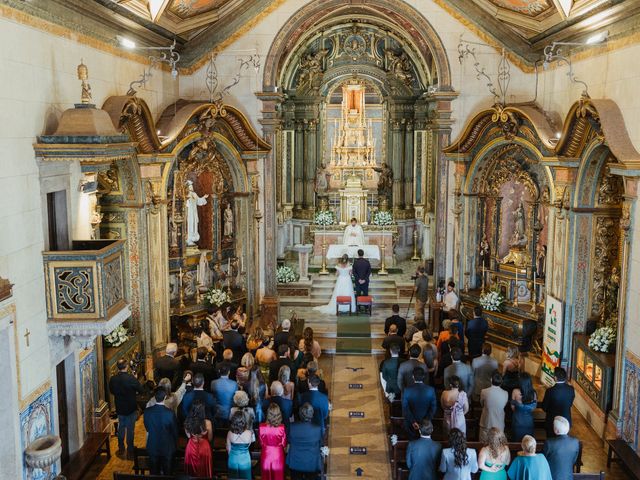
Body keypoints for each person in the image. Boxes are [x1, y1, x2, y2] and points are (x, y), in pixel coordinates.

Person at [108, 358, 144, 457]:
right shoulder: (131, 378)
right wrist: (135, 379)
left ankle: (120, 446)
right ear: (126, 366)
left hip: (119, 407)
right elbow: (141, 390)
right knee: (130, 429)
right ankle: (130, 448)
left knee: (121, 427)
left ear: (117, 368)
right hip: (130, 407)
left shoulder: (113, 379)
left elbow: (111, 391)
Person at [144, 388, 178, 475]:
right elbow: (174, 432)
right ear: (165, 397)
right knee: (168, 474)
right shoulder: (170, 413)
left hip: (153, 446)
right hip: (167, 448)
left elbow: (147, 428)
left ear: (155, 397)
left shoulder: (147, 411)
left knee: (154, 474)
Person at [287, 403, 323, 480]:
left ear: (300, 414)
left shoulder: (292, 427)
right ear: (312, 415)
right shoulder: (318, 429)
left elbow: (289, 441)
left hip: (295, 463)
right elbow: (320, 444)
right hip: (312, 463)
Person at [402, 368, 437, 439]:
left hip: (410, 423)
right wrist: (426, 421)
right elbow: (433, 407)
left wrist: (413, 421)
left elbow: (405, 408)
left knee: (411, 438)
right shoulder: (431, 390)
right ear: (423, 376)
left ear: (413, 377)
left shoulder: (407, 391)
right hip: (426, 424)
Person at [542, 416, 580, 480]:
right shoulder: (575, 442)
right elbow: (574, 460)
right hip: (568, 477)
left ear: (556, 430)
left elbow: (543, 460)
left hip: (551, 477)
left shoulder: (549, 443)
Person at [541, 367, 575, 437]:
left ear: (555, 378)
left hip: (552, 421)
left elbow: (544, 407)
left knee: (551, 440)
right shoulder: (571, 389)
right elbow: (570, 404)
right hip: (566, 420)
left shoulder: (550, 391)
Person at [183, 400, 213, 478]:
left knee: (191, 471)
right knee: (204, 469)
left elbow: (189, 436)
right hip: (204, 447)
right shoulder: (208, 423)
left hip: (191, 446)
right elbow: (210, 438)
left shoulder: (187, 422)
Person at [259, 403, 287, 480]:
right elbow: (284, 444)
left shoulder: (261, 427)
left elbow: (261, 443)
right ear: (279, 414)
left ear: (268, 414)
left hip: (266, 456)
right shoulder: (282, 427)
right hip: (278, 456)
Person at [479, 371, 509, 443]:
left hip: (487, 421)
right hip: (499, 423)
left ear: (491, 380)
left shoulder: (484, 391)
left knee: (484, 444)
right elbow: (504, 405)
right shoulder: (505, 393)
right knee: (498, 444)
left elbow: (482, 404)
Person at [227, 411, 255, 479]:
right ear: (244, 421)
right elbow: (251, 443)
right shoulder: (249, 433)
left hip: (233, 459)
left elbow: (228, 449)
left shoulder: (229, 433)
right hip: (245, 459)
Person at [510, 372, 537, 442]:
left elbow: (512, 407)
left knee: (516, 441)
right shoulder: (534, 394)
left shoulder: (515, 392)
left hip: (517, 421)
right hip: (528, 421)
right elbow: (533, 408)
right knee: (528, 442)